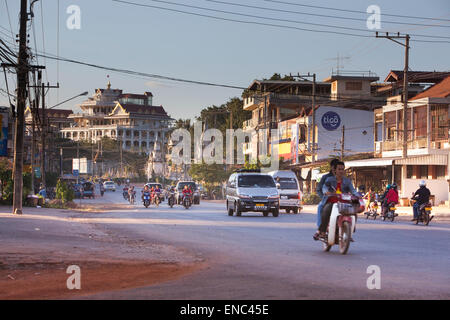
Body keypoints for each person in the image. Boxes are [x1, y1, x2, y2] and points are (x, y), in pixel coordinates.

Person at [314, 161, 359, 240]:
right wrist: (326, 192)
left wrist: (358, 196)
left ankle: (350, 231)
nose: (341, 171)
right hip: (332, 201)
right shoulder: (329, 179)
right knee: (326, 210)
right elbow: (324, 187)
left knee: (354, 211)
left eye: (342, 169)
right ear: (335, 170)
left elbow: (353, 190)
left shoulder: (347, 181)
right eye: (339, 169)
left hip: (344, 202)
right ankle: (322, 231)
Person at [315, 159, 340, 229]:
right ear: (332, 167)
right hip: (328, 199)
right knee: (320, 207)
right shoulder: (325, 177)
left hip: (340, 200)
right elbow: (319, 189)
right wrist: (324, 197)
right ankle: (320, 228)